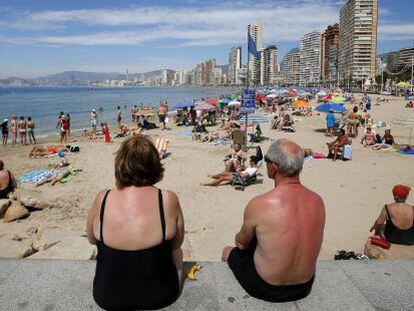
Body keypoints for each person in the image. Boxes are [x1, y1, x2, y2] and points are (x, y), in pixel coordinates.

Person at [222, 139, 325, 302]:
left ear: (274, 167)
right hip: (305, 286)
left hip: (268, 288)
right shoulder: (317, 201)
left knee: (228, 251)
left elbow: (241, 244)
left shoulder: (260, 204)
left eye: (267, 161)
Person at [87, 136, 184, 310]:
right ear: (155, 164)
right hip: (161, 295)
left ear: (120, 164)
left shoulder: (103, 198)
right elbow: (177, 243)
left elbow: (92, 240)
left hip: (107, 296)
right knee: (177, 251)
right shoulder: (167, 199)